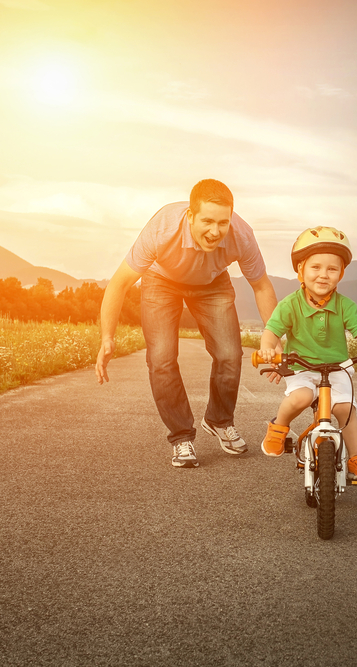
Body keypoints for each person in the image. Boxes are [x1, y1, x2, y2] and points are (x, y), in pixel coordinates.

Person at [95, 179, 278, 469]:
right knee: (162, 357)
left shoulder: (242, 234)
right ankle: (181, 436)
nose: (215, 231)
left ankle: (219, 420)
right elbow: (119, 284)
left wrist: (274, 336)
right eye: (207, 221)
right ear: (190, 216)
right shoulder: (162, 229)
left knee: (230, 354)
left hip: (212, 282)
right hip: (161, 280)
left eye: (223, 222)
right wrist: (107, 337)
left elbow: (262, 287)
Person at [257, 226, 357, 481]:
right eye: (315, 267)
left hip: (338, 367)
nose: (323, 275)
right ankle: (278, 428)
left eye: (332, 269)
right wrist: (268, 349)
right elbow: (272, 331)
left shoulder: (344, 305)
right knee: (301, 397)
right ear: (300, 270)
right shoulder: (290, 304)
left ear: (341, 273)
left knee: (345, 409)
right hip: (302, 367)